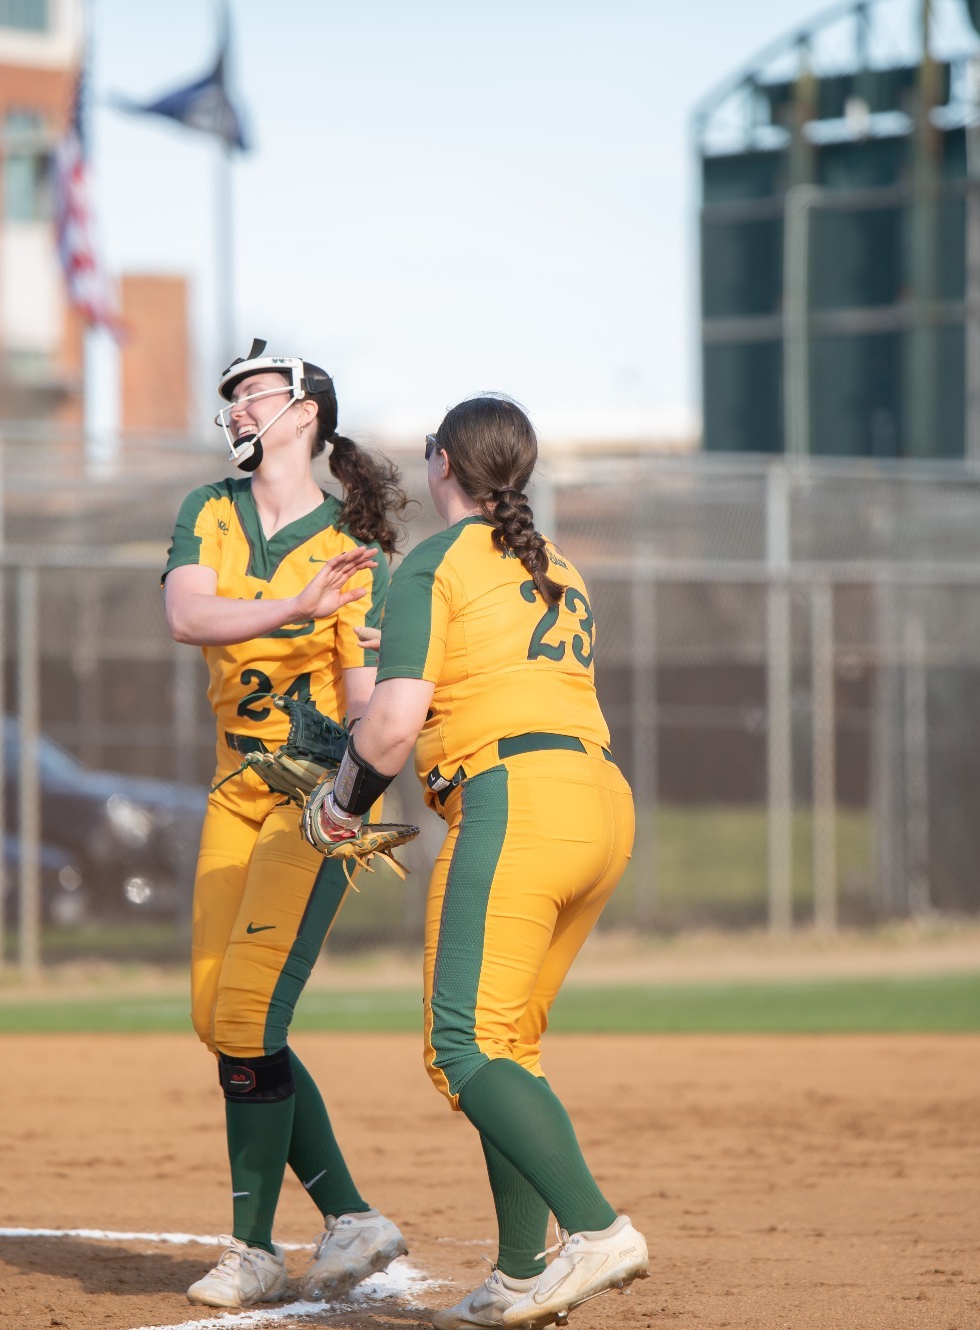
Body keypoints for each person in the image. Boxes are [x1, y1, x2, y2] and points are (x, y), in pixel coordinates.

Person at [301, 396, 649, 1330]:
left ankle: (596, 1229)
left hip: (514, 806)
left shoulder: (433, 562)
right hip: (599, 803)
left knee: (458, 1049)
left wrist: (338, 806)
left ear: (443, 462)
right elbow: (486, 673)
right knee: (509, 1047)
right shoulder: (558, 564)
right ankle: (521, 1272)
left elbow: (392, 728)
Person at [161, 342, 414, 1308]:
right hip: (235, 789)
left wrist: (345, 802)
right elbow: (189, 616)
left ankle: (255, 1247)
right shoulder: (209, 510)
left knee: (248, 1019)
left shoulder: (351, 546)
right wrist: (293, 605)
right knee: (214, 1017)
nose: (235, 408)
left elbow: (361, 699)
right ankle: (350, 1216)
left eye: (255, 393)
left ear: (305, 411)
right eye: (230, 396)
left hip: (310, 803)